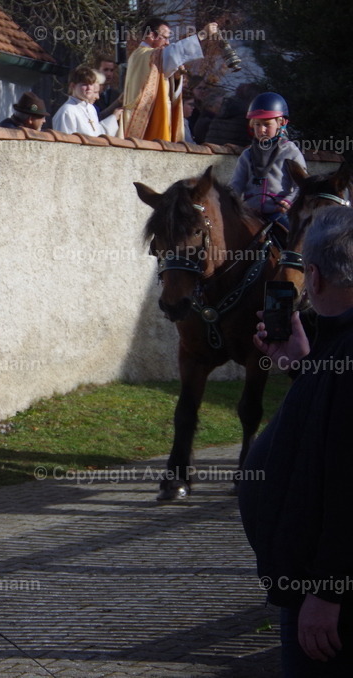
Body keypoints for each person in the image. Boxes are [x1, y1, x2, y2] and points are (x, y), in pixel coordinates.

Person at [240, 205, 353, 677]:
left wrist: (328, 593)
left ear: (314, 277)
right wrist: (301, 366)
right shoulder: (336, 345)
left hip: (330, 604)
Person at [122, 17, 219, 142]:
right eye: (165, 37)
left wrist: (176, 78)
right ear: (152, 35)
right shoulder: (146, 55)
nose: (167, 43)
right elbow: (174, 53)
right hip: (144, 117)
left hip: (152, 112)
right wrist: (203, 34)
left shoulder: (146, 55)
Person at [229, 92, 306, 227]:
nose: (261, 130)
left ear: (281, 123)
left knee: (292, 239)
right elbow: (236, 185)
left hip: (279, 213)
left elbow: (301, 185)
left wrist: (288, 202)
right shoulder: (247, 155)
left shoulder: (291, 152)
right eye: (257, 124)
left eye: (267, 124)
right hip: (251, 213)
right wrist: (233, 204)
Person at [52, 66, 120, 137]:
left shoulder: (91, 108)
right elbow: (65, 141)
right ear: (73, 86)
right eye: (84, 84)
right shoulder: (67, 111)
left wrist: (113, 118)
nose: (89, 88)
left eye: (91, 84)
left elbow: (98, 135)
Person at [94, 54, 121, 121]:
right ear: (97, 70)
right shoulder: (89, 93)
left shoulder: (116, 94)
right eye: (105, 70)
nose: (109, 74)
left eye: (111, 70)